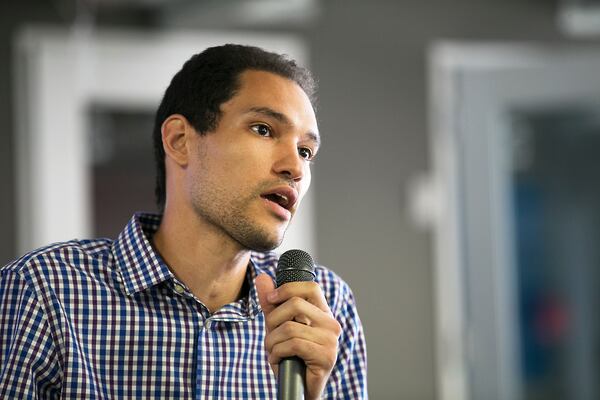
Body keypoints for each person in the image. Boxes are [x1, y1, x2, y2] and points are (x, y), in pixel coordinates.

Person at [0, 44, 367, 399]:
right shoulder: (42, 292)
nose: (296, 167)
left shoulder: (325, 308)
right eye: (263, 129)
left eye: (306, 151)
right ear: (179, 140)